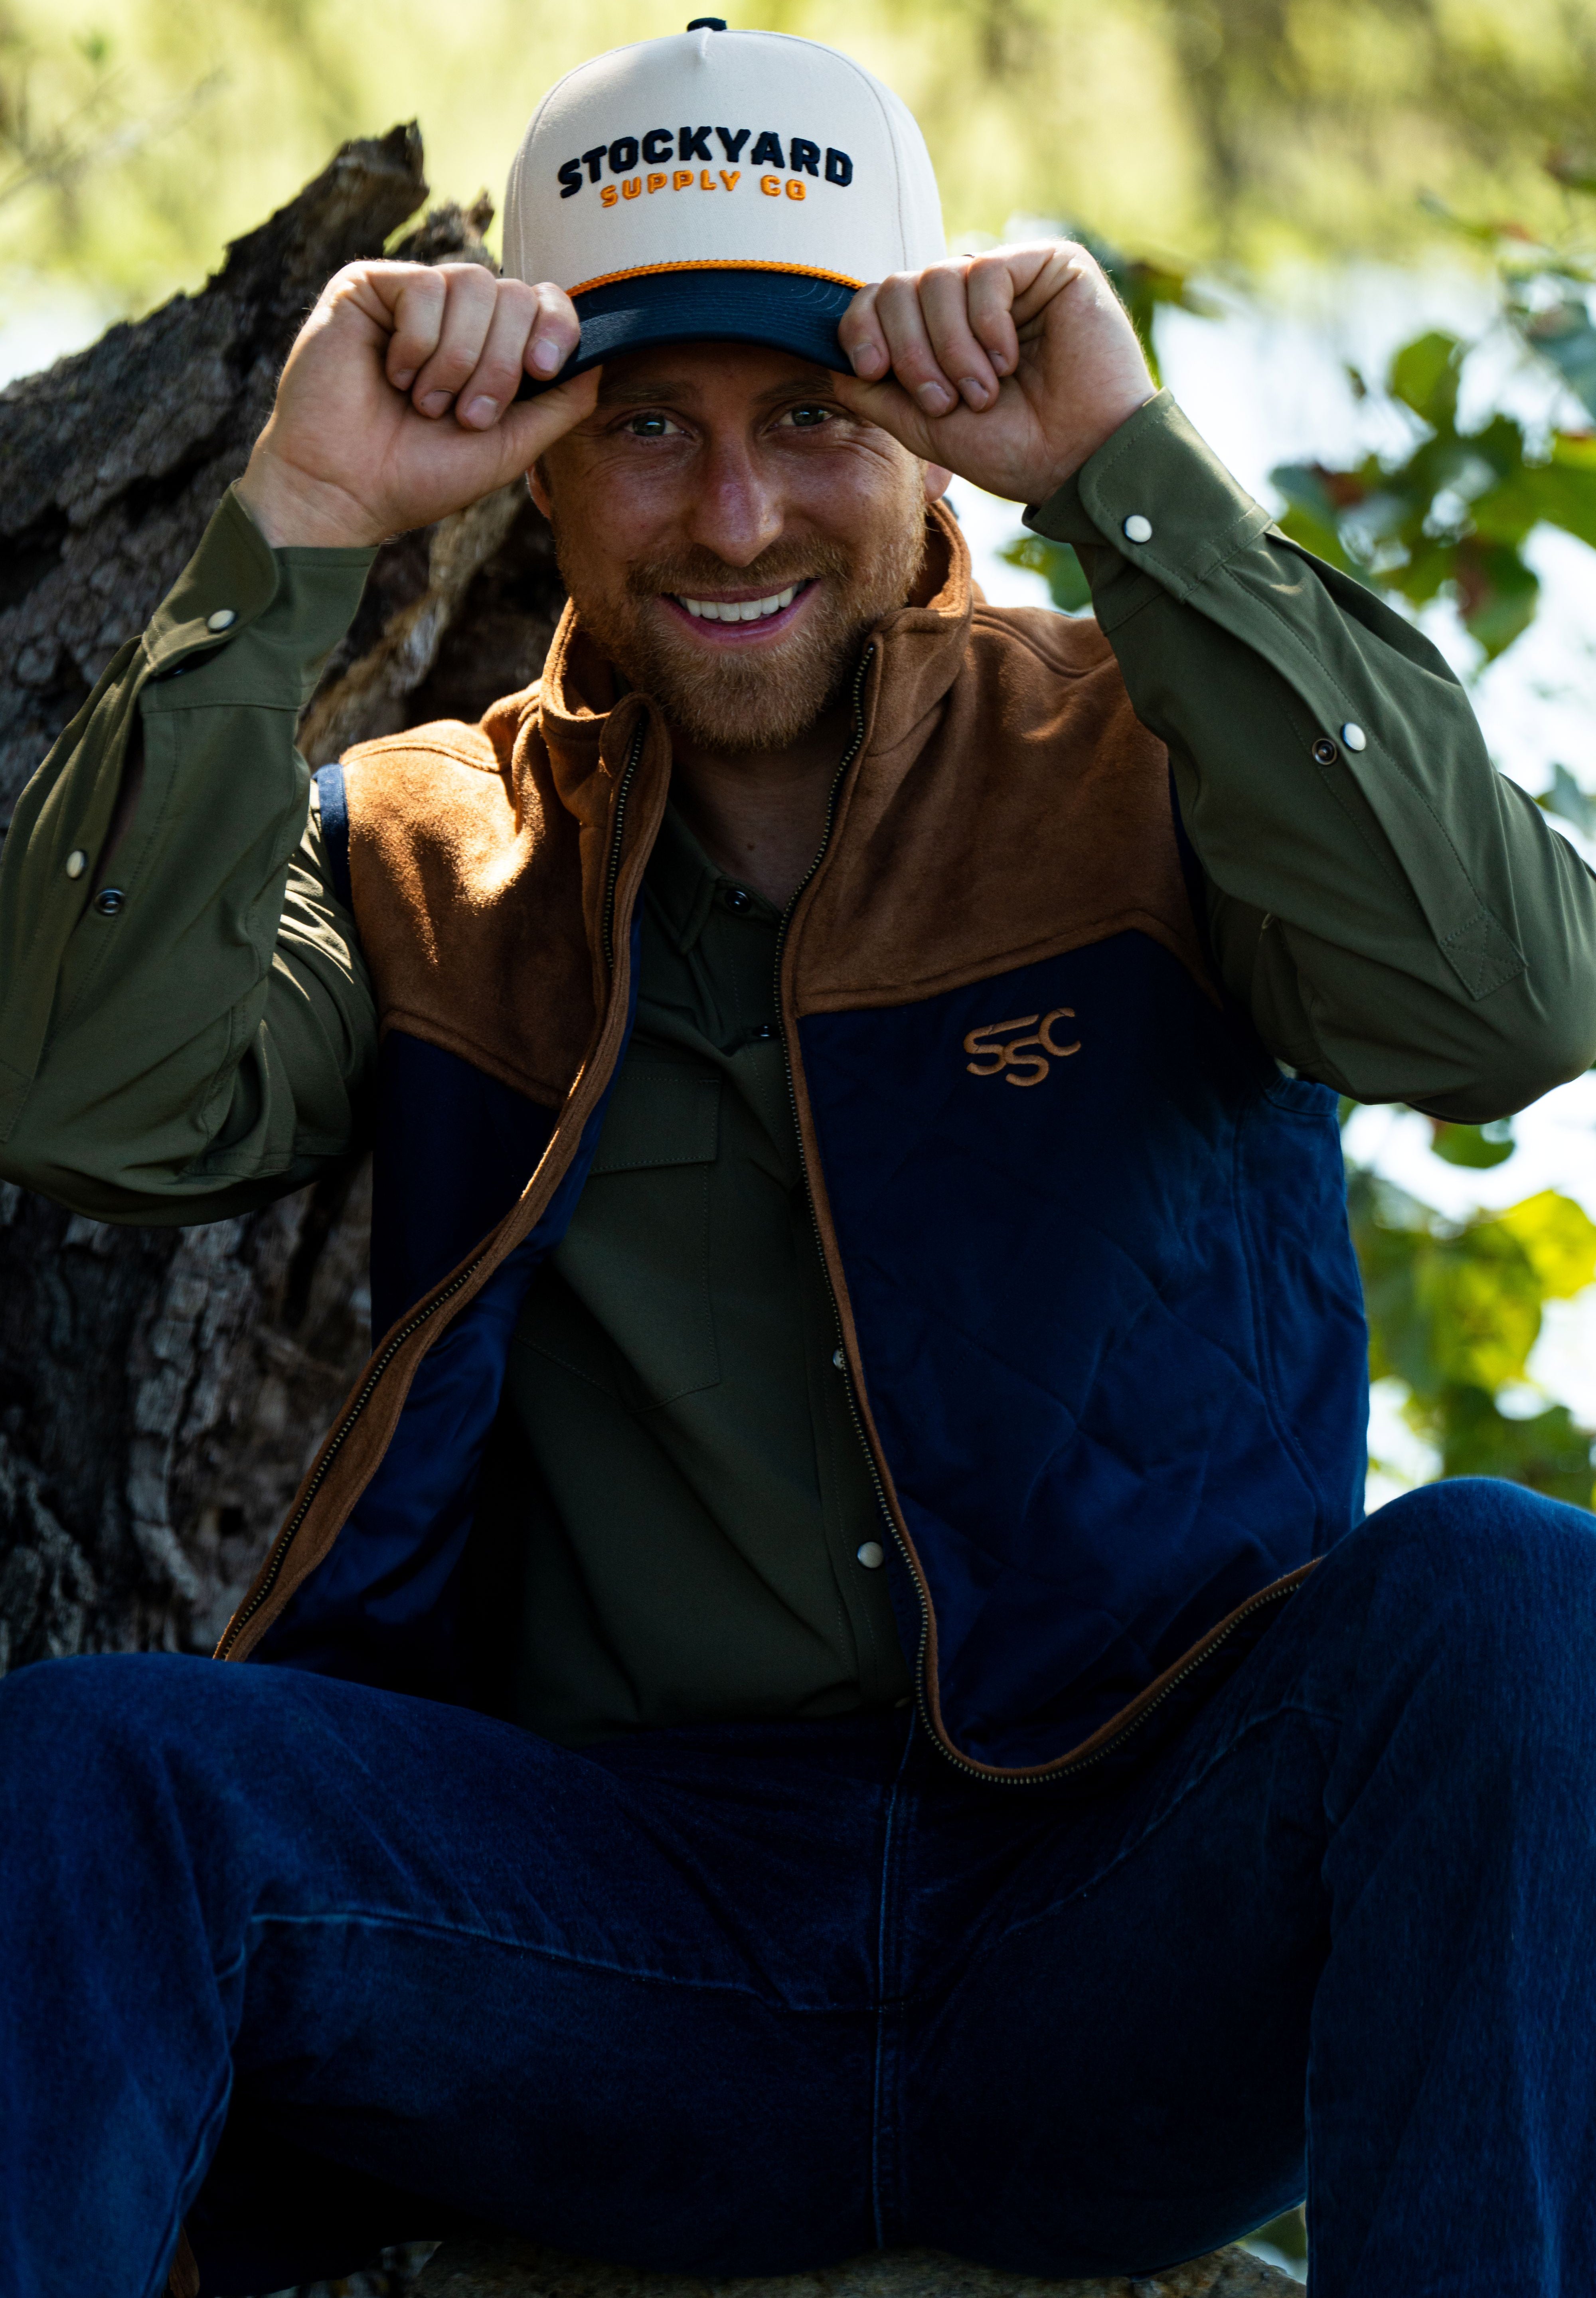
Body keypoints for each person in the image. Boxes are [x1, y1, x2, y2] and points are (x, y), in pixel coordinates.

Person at [3, 22, 1596, 2298]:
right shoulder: (429, 842)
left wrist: (1125, 468)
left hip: (1123, 1916)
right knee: (89, 1779)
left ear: (925, 449)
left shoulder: (1151, 752)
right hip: (618, 1947)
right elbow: (81, 1100)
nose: (733, 516)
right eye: (651, 428)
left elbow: (1513, 1012)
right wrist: (291, 529)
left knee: (1519, 1601)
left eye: (811, 422)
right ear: (538, 467)